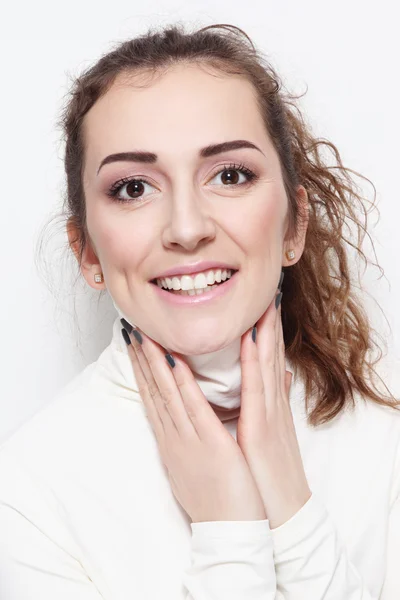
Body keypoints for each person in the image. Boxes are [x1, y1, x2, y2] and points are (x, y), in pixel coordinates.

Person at [0, 22, 399, 600]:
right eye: (133, 188)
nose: (187, 229)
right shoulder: (27, 491)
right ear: (87, 249)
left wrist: (290, 506)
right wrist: (230, 530)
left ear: (294, 226)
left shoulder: (385, 419)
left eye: (230, 175)